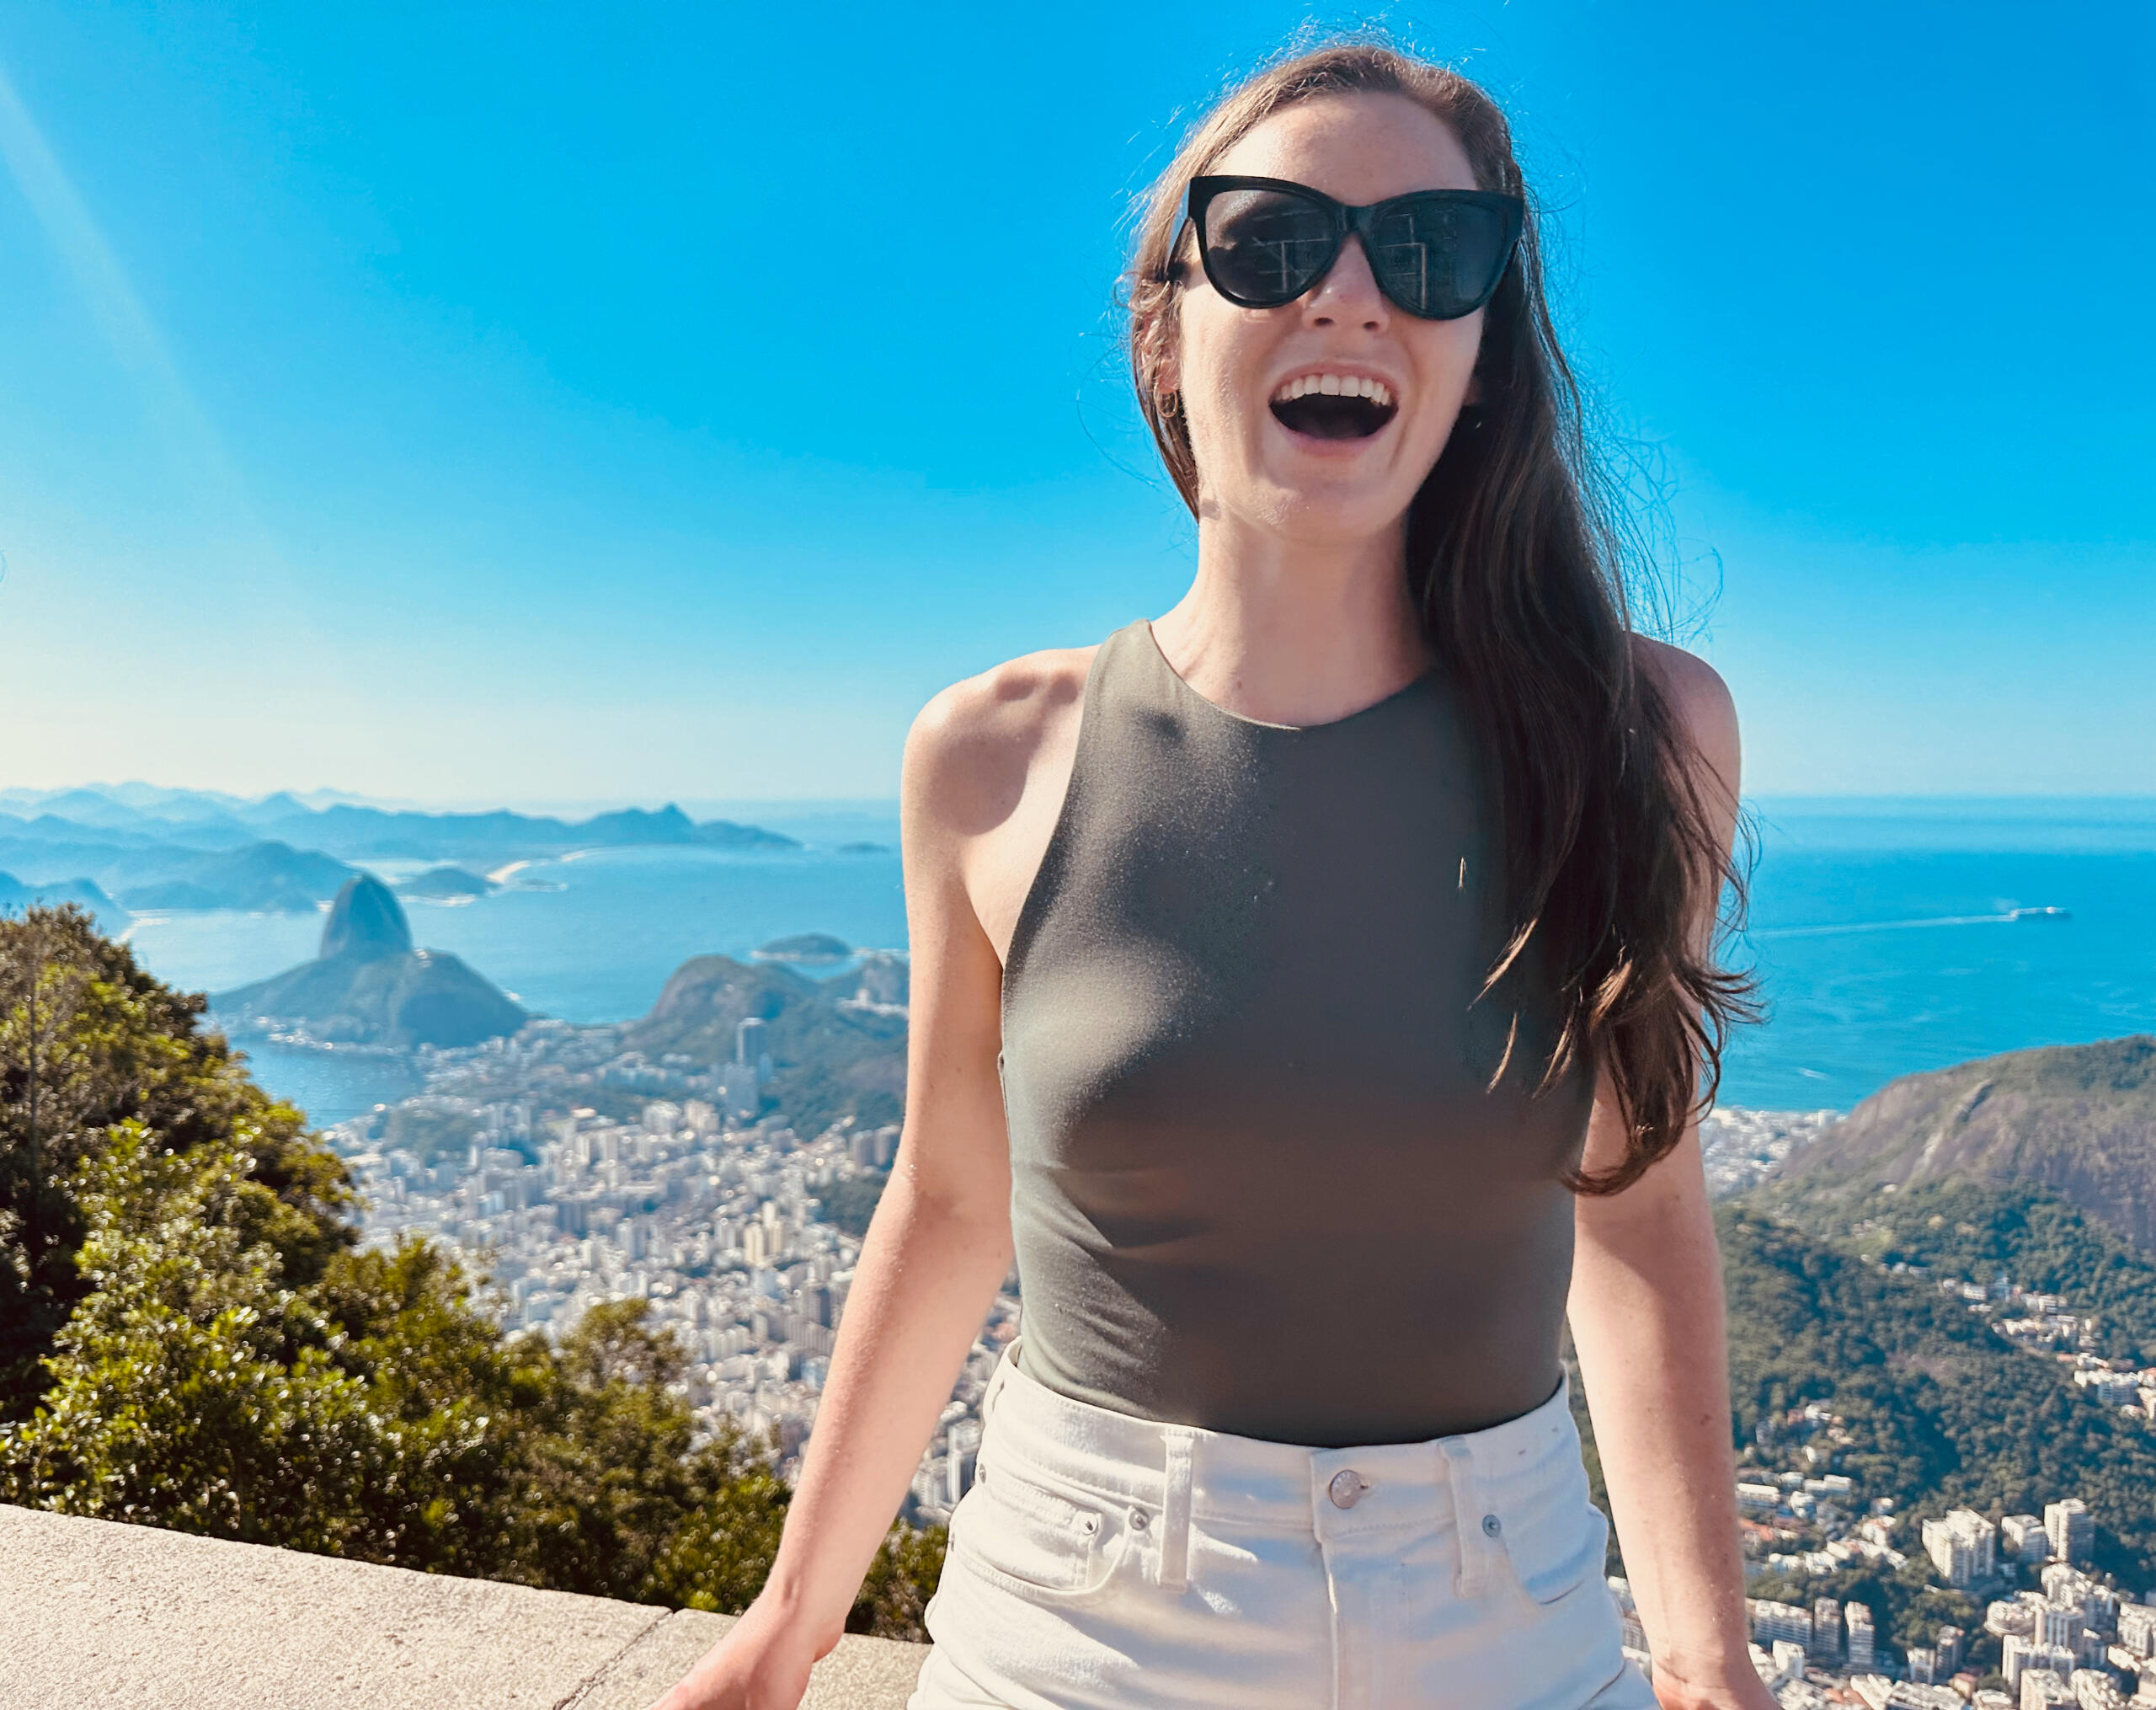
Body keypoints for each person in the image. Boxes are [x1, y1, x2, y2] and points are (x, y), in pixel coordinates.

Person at [654, 41, 1771, 1710]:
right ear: (1167, 330)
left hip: (1510, 1623)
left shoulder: (1643, 735)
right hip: (1077, 1624)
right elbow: (951, 1200)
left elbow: (1638, 1207)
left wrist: (1705, 1656)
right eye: (1269, 240)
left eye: (1430, 250)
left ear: (1483, 351)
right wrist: (785, 1622)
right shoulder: (990, 757)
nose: (1349, 294)